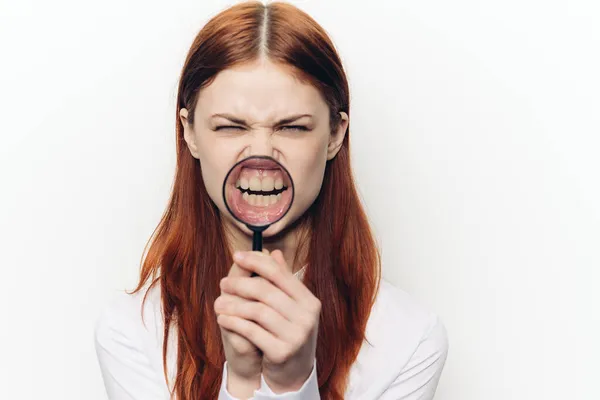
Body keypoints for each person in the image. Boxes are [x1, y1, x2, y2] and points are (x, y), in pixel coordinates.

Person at [94, 1, 449, 399]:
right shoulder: (132, 332)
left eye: (293, 128)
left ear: (335, 135)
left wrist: (292, 384)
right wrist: (244, 383)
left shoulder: (409, 340)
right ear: (189, 133)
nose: (259, 155)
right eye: (230, 126)